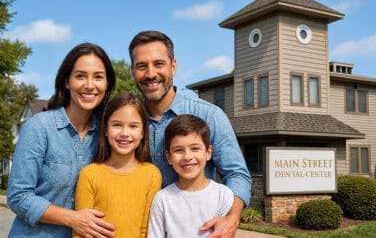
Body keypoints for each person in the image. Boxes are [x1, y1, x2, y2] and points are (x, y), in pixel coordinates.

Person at [128, 30, 251, 237]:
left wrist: (231, 219)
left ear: (173, 66)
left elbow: (237, 175)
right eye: (141, 66)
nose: (150, 74)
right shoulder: (128, 123)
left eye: (159, 64)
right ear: (133, 71)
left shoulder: (210, 115)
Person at [7, 43, 116, 238]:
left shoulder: (107, 133)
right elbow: (18, 196)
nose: (90, 85)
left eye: (98, 77)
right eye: (80, 76)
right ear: (67, 81)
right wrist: (72, 218)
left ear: (107, 84)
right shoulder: (39, 127)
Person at [73, 92, 162, 238]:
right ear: (106, 130)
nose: (124, 133)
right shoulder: (89, 174)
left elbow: (147, 231)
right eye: (117, 125)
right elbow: (81, 232)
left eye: (133, 126)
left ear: (142, 133)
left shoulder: (152, 174)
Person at [147, 114, 234, 237]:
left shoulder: (223, 196)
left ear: (208, 153)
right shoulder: (162, 200)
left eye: (195, 148)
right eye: (178, 150)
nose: (187, 157)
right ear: (169, 157)